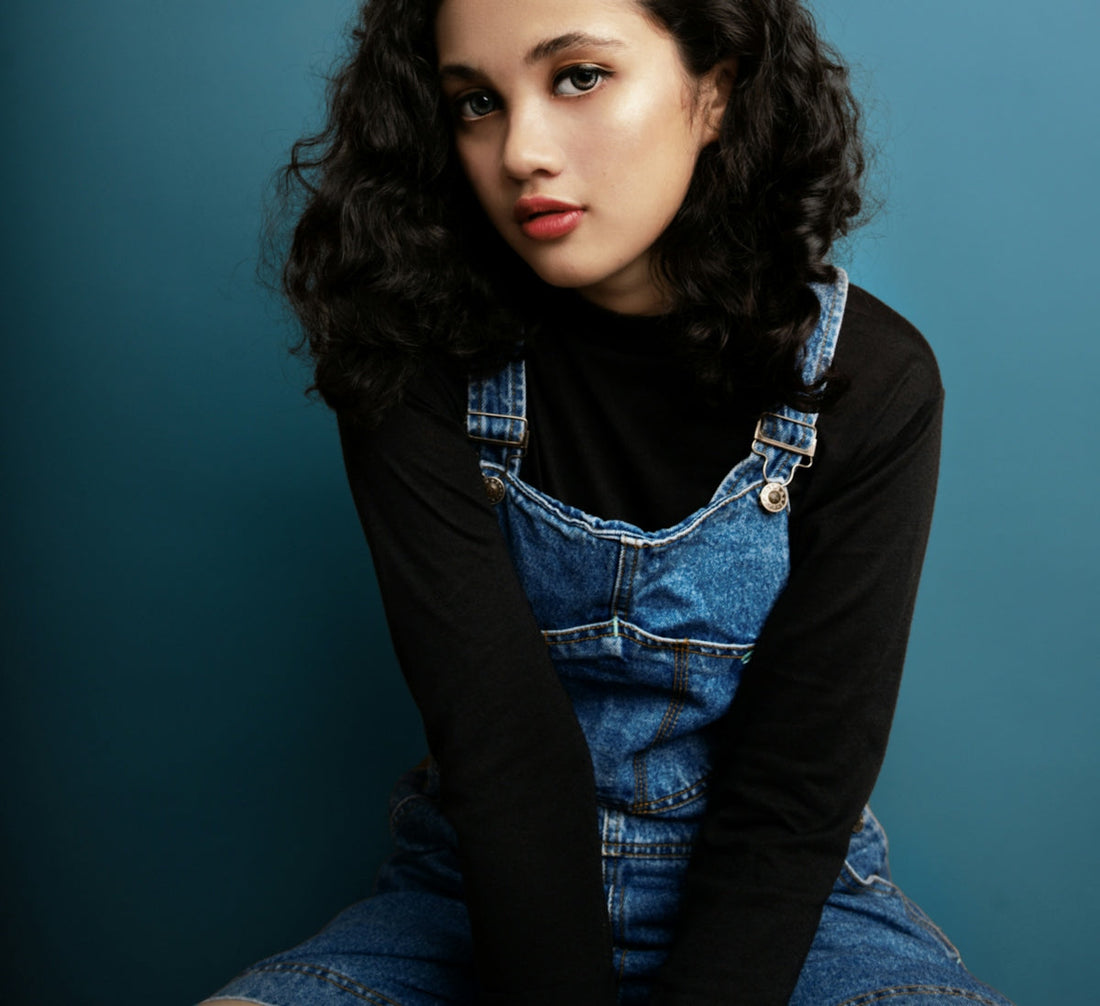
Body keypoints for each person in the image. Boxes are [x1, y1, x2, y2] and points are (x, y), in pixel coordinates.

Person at [203, 0, 1016, 1003]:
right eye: (475, 102)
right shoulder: (407, 354)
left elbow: (791, 798)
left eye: (578, 77)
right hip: (475, 895)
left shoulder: (870, 382)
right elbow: (499, 751)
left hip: (791, 915)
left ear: (714, 90)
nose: (520, 152)